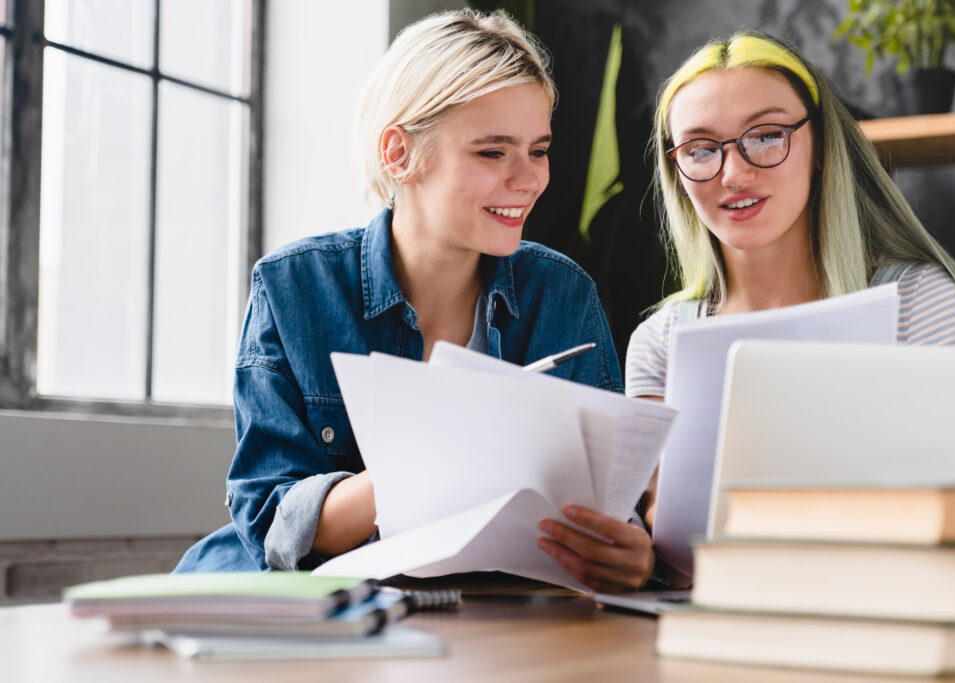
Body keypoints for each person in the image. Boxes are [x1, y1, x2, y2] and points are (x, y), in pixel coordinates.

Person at [175, 10, 655, 593]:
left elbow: (604, 511)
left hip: (494, 617)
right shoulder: (292, 288)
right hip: (321, 610)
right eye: (492, 152)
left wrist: (626, 551)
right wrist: (439, 457)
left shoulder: (562, 293)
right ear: (399, 153)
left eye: (539, 149)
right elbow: (272, 523)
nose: (529, 179)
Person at [626, 31, 955, 530]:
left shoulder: (919, 303)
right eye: (700, 149)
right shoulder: (659, 344)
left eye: (766, 136)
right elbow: (668, 534)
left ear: (822, 145)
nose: (734, 173)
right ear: (676, 170)